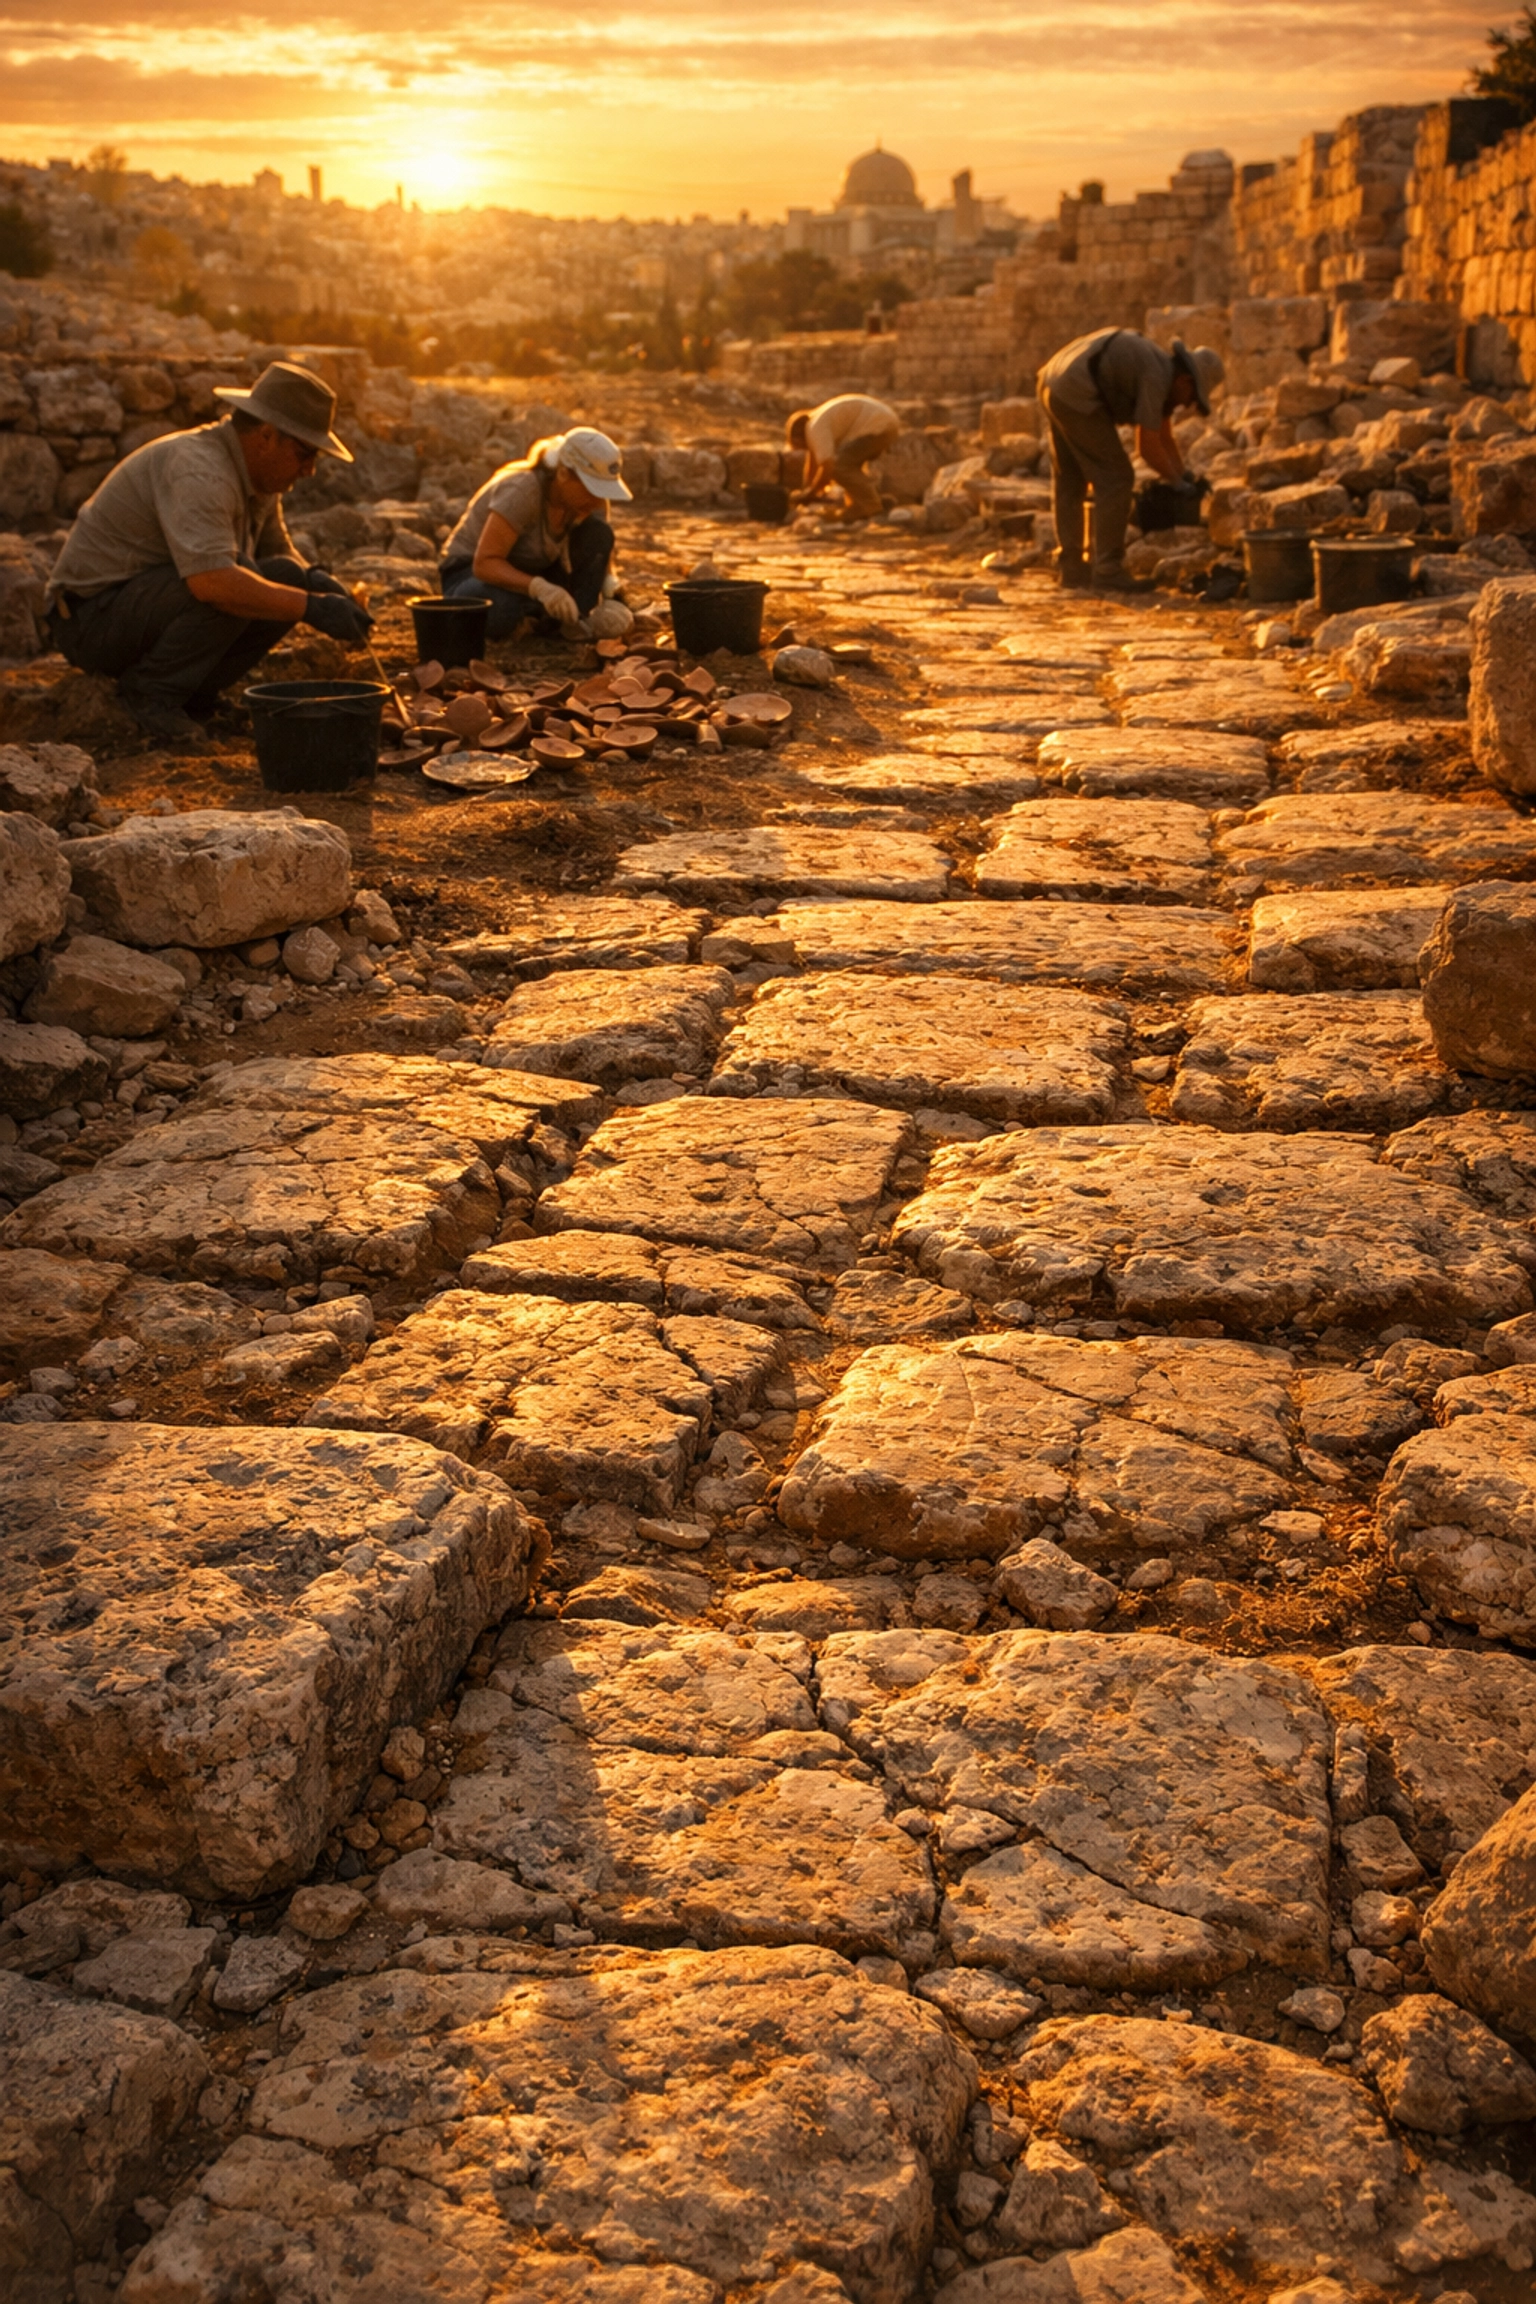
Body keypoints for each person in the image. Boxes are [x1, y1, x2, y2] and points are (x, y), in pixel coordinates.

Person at [45, 361, 372, 742]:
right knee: (235, 583)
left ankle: (194, 694)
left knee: (286, 577)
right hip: (89, 619)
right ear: (266, 436)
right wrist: (311, 607)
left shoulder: (257, 475)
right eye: (305, 454)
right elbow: (212, 582)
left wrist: (319, 586)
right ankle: (150, 694)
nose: (309, 470)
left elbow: (279, 554)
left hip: (145, 605)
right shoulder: (200, 471)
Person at [1036, 330, 1226, 592]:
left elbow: (1163, 436)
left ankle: (1072, 568)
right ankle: (1108, 570)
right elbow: (1147, 446)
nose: (1186, 405)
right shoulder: (1157, 377)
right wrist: (1175, 482)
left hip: (1053, 382)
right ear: (1186, 382)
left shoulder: (1159, 367)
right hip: (1077, 386)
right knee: (1116, 477)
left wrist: (1182, 475)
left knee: (1070, 478)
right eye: (1192, 400)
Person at [439, 429, 631, 640]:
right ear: (563, 474)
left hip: (535, 570)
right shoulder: (523, 491)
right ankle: (535, 616)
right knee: (501, 609)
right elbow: (485, 563)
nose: (597, 501)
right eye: (591, 489)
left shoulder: (591, 502)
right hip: (473, 574)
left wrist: (611, 586)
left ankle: (573, 619)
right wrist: (540, 588)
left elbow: (600, 544)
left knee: (599, 532)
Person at [787, 393, 901, 520]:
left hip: (878, 426)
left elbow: (827, 467)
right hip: (886, 422)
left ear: (798, 439)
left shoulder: (814, 428)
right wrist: (807, 489)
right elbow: (813, 463)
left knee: (839, 467)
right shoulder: (818, 420)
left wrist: (811, 493)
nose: (805, 450)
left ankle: (871, 506)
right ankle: (864, 503)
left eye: (800, 447)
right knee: (849, 464)